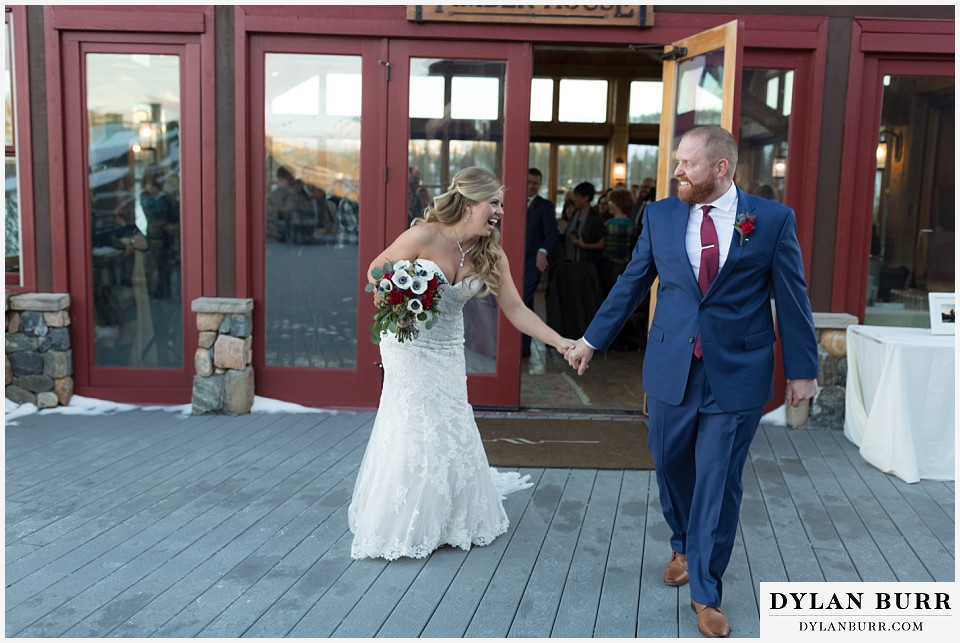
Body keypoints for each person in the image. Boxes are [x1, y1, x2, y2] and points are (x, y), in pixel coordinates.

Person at [565, 126, 818, 638]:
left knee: (718, 479)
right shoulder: (659, 215)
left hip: (738, 372)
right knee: (671, 464)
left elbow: (792, 299)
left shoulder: (771, 220)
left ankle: (706, 589)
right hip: (670, 369)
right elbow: (632, 282)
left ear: (720, 168)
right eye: (677, 162)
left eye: (688, 164)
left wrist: (802, 369)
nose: (676, 171)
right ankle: (682, 542)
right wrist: (591, 340)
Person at [349, 166, 575, 561]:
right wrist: (397, 297)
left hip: (448, 348)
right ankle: (407, 518)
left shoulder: (491, 254)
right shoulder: (425, 235)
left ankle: (450, 516)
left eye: (501, 205)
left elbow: (517, 311)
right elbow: (375, 271)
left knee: (451, 421)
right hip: (407, 344)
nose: (500, 212)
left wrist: (560, 342)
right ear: (470, 203)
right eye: (494, 203)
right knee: (415, 420)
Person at [521, 168, 560, 357]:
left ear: (540, 184)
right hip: (510, 260)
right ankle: (521, 345)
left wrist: (542, 252)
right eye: (528, 182)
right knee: (523, 303)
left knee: (523, 300)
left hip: (531, 262)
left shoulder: (545, 206)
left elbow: (552, 233)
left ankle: (522, 346)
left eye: (535, 183)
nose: (530, 186)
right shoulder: (512, 202)